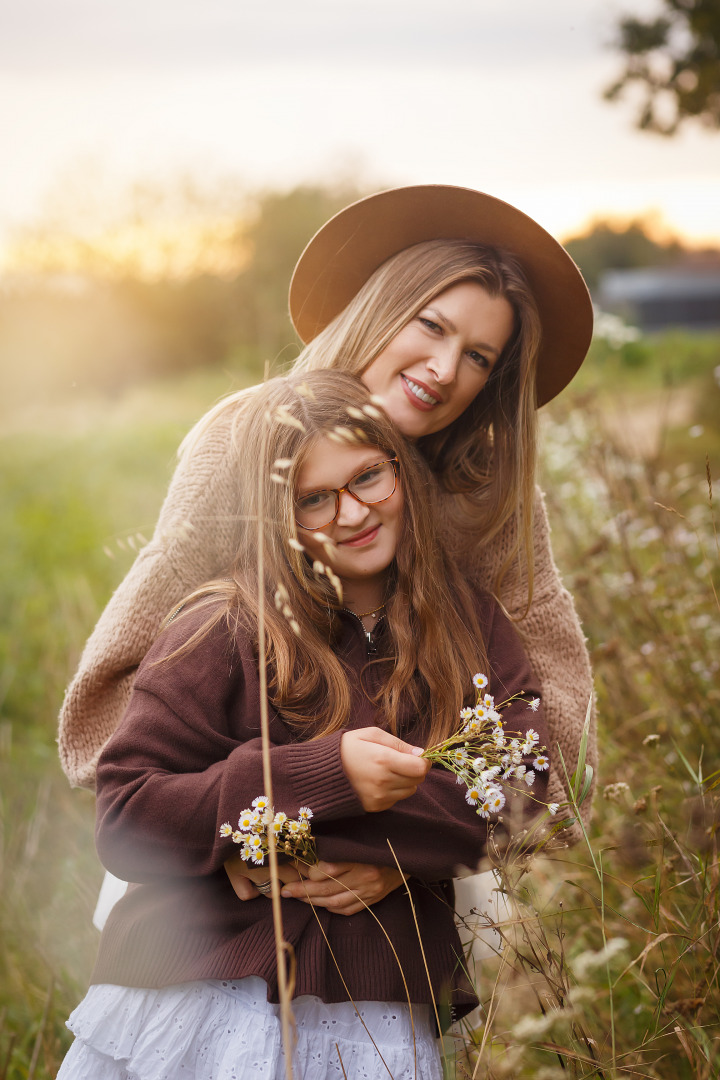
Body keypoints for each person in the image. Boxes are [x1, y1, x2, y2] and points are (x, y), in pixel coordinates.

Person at [58, 184, 596, 905]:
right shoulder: (244, 441)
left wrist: (410, 850)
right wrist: (258, 831)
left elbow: (552, 681)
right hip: (233, 858)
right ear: (381, 308)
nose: (443, 368)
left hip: (419, 851)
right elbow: (125, 675)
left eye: (477, 356)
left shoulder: (486, 488)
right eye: (430, 326)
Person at [57, 372, 550, 1079]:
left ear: (400, 468)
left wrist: (388, 858)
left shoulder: (473, 629)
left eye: (368, 478)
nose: (352, 513)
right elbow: (129, 819)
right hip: (195, 999)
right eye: (314, 499)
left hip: (373, 1015)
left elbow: (519, 795)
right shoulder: (221, 627)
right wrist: (322, 777)